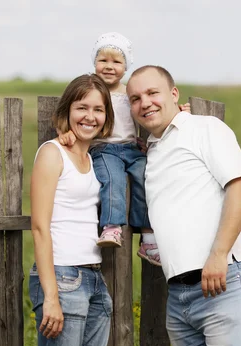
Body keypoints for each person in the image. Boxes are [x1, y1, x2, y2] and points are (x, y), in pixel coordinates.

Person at [126, 65, 241, 346]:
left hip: (222, 281)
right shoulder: (153, 149)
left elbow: (239, 188)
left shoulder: (205, 128)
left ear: (174, 94)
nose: (145, 103)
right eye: (135, 98)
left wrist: (218, 255)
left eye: (153, 93)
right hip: (179, 296)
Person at [58, 32, 189, 266]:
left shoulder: (130, 93)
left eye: (117, 62)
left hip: (130, 149)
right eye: (103, 61)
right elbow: (72, 114)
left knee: (146, 179)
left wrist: (177, 110)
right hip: (104, 149)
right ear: (94, 62)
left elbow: (150, 109)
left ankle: (148, 237)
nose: (109, 67)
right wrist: (66, 131)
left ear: (126, 66)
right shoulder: (92, 92)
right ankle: (111, 226)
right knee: (113, 179)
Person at [28, 73, 113, 346]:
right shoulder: (53, 153)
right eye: (82, 107)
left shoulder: (92, 158)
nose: (90, 116)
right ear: (67, 111)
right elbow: (40, 227)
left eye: (99, 109)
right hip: (62, 278)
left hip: (93, 280)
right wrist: (51, 296)